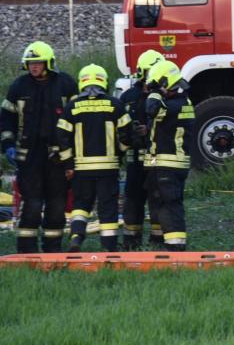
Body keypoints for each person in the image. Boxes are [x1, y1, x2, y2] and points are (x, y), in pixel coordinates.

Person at [0, 41, 78, 253]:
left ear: (49, 63)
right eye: (30, 63)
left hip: (58, 157)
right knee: (32, 204)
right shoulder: (19, 86)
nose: (34, 66)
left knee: (57, 204)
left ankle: (53, 251)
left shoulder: (65, 84)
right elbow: (7, 118)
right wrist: (8, 144)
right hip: (29, 156)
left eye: (38, 62)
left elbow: (77, 119)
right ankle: (26, 251)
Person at [58, 64, 132, 252]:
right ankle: (109, 249)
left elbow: (61, 138)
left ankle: (76, 236)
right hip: (108, 168)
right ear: (103, 81)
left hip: (81, 169)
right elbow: (127, 135)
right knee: (107, 207)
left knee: (81, 205)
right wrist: (120, 153)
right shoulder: (114, 104)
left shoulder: (72, 107)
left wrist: (68, 164)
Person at [142, 60, 195, 252]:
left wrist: (155, 91)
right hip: (169, 164)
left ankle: (176, 248)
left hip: (169, 164)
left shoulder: (171, 105)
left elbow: (152, 109)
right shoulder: (184, 102)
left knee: (169, 205)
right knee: (159, 202)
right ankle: (158, 242)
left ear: (165, 83)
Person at [119, 49, 164, 250]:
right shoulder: (129, 97)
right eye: (149, 71)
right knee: (132, 200)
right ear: (141, 73)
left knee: (157, 199)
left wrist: (150, 130)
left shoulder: (166, 97)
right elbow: (118, 124)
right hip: (134, 159)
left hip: (156, 159)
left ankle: (157, 242)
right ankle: (131, 242)